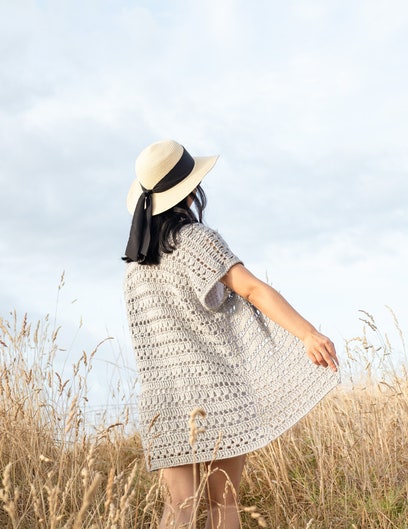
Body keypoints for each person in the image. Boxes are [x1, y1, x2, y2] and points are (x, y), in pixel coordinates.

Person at [122, 139, 340, 529]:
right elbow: (252, 289)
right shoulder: (198, 240)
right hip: (215, 389)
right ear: (190, 192)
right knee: (223, 504)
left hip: (163, 396)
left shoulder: (136, 266)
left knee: (179, 507)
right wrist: (307, 333)